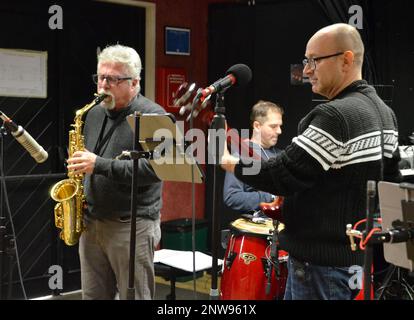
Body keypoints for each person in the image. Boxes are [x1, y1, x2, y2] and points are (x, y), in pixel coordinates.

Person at [221, 23, 401, 300]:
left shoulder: (334, 116)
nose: (305, 70)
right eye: (306, 61)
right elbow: (390, 186)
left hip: (320, 264)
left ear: (346, 60)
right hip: (355, 261)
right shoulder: (385, 113)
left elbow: (282, 174)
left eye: (314, 61)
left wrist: (231, 162)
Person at [67, 44, 165, 300]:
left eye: (112, 79)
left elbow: (157, 169)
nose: (103, 85)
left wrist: (98, 164)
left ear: (134, 82)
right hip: (91, 222)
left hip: (131, 225)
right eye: (100, 77)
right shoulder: (94, 113)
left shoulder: (153, 115)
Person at [223, 100, 283, 213]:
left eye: (280, 126)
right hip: (258, 226)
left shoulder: (281, 155)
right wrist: (271, 197)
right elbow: (232, 197)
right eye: (273, 126)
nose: (279, 131)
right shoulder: (241, 154)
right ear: (257, 126)